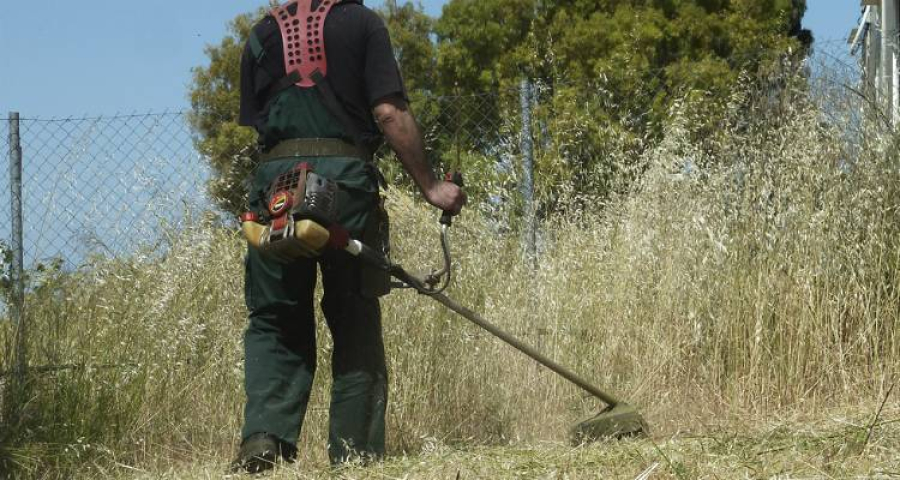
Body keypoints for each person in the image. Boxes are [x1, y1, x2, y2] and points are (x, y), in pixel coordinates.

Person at [232, 0, 466, 473]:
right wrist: (432, 187)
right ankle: (354, 457)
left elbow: (260, 125)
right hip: (346, 185)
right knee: (354, 315)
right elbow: (389, 113)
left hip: (275, 188)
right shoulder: (362, 23)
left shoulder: (260, 34)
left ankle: (265, 441)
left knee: (276, 318)